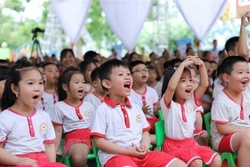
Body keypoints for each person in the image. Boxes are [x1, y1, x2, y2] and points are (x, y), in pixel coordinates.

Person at [90, 59, 187, 167]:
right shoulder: (102, 110)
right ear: (107, 83)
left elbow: (145, 133)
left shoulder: (136, 108)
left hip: (142, 155)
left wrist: (144, 146)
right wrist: (127, 151)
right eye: (121, 74)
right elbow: (99, 142)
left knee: (180, 165)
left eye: (128, 74)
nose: (127, 77)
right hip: (116, 157)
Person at [0, 60, 65, 167]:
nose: (37, 88)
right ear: (15, 89)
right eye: (30, 83)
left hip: (42, 162)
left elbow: (49, 146)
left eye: (40, 83)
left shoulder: (44, 116)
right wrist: (17, 161)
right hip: (14, 162)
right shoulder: (4, 117)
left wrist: (51, 164)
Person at [161, 56, 221, 167]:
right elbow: (171, 88)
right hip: (173, 148)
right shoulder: (168, 104)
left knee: (217, 159)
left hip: (191, 144)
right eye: (183, 81)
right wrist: (182, 65)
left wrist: (202, 65)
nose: (189, 84)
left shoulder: (190, 102)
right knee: (196, 162)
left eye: (190, 80)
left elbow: (204, 85)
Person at [50, 67, 94, 167]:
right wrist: (55, 150)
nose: (81, 85)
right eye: (77, 82)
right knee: (78, 158)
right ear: (65, 87)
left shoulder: (89, 106)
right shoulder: (59, 107)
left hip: (93, 137)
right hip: (74, 139)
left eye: (83, 82)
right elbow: (57, 131)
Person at [211, 56, 250, 167]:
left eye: (247, 71)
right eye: (240, 72)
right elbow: (222, 128)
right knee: (247, 139)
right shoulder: (221, 101)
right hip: (223, 138)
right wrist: (246, 131)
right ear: (226, 77)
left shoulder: (245, 95)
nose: (246, 75)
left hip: (244, 133)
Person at [129, 60, 159, 134]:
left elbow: (156, 111)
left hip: (153, 121)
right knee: (145, 125)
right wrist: (141, 112)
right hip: (136, 122)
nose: (143, 72)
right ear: (130, 75)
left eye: (145, 70)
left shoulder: (152, 91)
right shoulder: (128, 93)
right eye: (138, 70)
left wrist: (157, 109)